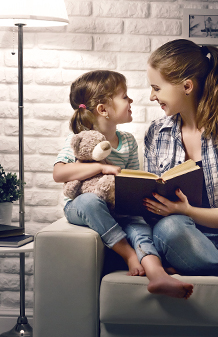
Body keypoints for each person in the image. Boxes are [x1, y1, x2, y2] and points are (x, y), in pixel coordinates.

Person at [53, 70, 194, 299]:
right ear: (103, 109)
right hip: (82, 206)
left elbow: (131, 179)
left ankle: (157, 274)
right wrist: (99, 168)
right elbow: (59, 173)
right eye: (124, 96)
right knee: (89, 201)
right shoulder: (79, 138)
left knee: (138, 225)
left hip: (118, 206)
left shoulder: (127, 141)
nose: (131, 100)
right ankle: (128, 254)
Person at [143, 38, 218, 277]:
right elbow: (151, 203)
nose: (151, 96)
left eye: (157, 88)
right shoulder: (156, 134)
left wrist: (187, 209)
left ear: (187, 86)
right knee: (170, 226)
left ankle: (213, 270)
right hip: (181, 235)